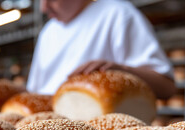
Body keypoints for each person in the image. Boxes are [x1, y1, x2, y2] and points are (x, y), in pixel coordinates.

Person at [27, 0, 176, 99]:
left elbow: (167, 87)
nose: (43, 7)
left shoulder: (118, 14)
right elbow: (34, 92)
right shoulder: (48, 31)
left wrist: (121, 72)